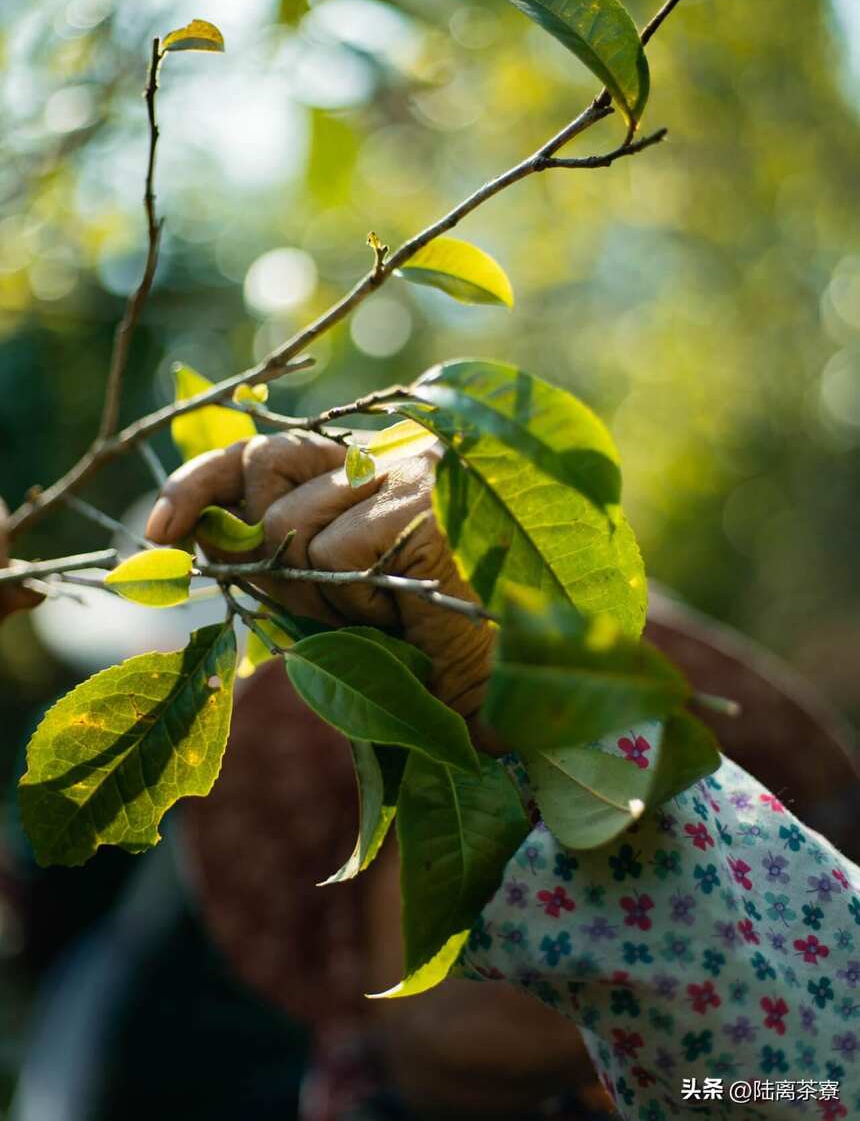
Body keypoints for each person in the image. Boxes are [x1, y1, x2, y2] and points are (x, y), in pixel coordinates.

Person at [140, 431, 860, 1120]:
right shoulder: (185, 1080)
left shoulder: (724, 1095)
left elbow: (820, 1087)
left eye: (591, 787)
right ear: (345, 895)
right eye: (458, 770)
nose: (530, 858)